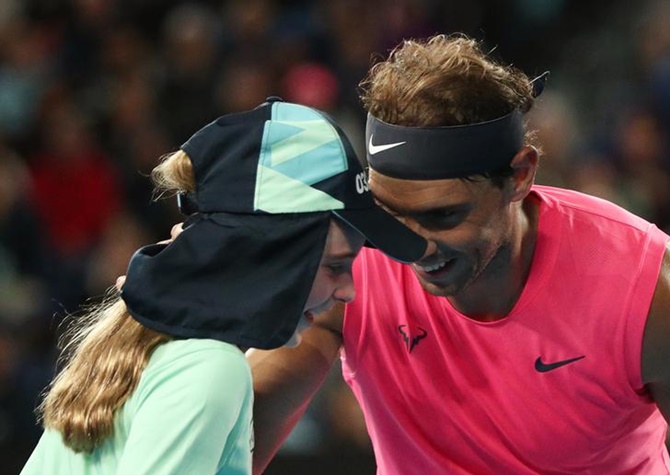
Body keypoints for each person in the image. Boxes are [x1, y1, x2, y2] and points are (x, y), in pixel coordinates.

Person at [249, 35, 670, 473]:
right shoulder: (346, 262)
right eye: (389, 215)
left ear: (519, 176)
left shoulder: (647, 287)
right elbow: (234, 434)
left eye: (442, 214)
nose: (409, 246)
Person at [20, 98, 427, 475]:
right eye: (335, 265)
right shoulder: (211, 369)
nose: (349, 292)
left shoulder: (141, 345)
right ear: (269, 256)